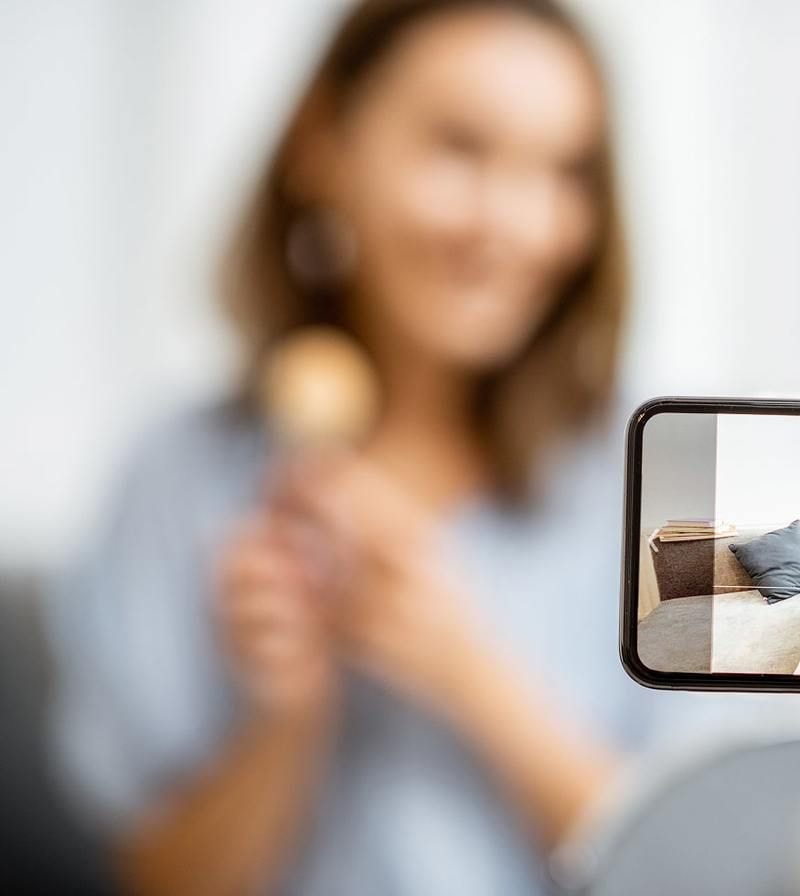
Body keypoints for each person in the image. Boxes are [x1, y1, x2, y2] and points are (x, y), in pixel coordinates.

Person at [46, 1, 643, 893]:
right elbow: (159, 879)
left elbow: (694, 855)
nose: (515, 223)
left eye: (565, 172)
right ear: (324, 147)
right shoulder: (178, 476)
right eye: (461, 148)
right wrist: (288, 711)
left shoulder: (642, 478)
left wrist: (464, 669)